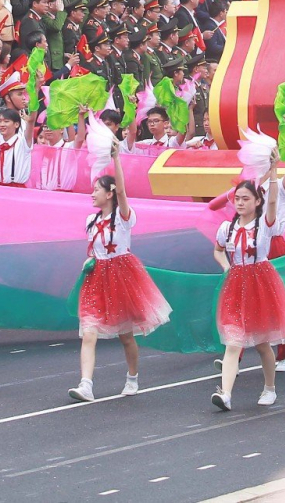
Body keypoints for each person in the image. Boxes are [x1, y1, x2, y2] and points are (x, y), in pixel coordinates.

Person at [69, 170, 169, 402]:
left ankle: (132, 378)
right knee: (89, 333)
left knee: (126, 336)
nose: (92, 194)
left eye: (96, 189)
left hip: (120, 279)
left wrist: (115, 159)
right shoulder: (90, 221)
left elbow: (123, 192)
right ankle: (86, 384)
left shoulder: (124, 217)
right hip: (96, 279)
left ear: (110, 193)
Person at [209, 166, 285, 412]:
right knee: (233, 342)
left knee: (262, 343)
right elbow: (218, 250)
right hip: (236, 284)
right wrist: (227, 266)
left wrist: (274, 170)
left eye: (246, 198)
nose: (240, 203)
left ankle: (270, 388)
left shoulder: (265, 225)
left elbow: (274, 200)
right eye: (237, 198)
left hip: (260, 284)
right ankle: (225, 393)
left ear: (257, 201)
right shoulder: (227, 228)